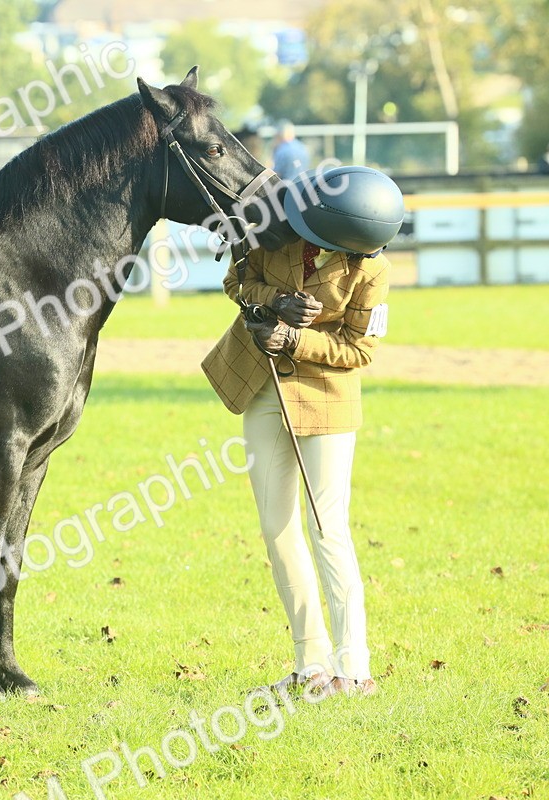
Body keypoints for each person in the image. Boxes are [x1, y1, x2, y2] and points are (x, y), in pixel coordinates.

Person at [202, 165, 404, 698]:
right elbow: (236, 280)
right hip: (262, 387)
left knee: (327, 527)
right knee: (276, 526)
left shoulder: (371, 273)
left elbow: (359, 351)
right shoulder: (282, 230)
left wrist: (294, 339)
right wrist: (273, 302)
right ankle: (309, 663)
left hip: (326, 401)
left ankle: (353, 667)